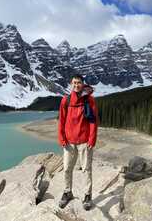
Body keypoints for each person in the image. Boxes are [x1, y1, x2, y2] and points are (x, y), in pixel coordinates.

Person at [57, 73, 99, 210]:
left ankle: (87, 196)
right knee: (67, 169)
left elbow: (93, 121)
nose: (76, 85)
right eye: (74, 83)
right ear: (71, 84)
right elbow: (62, 120)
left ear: (83, 84)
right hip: (69, 142)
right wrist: (61, 137)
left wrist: (92, 139)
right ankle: (67, 192)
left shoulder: (90, 100)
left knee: (86, 169)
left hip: (84, 142)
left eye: (79, 83)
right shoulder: (66, 100)